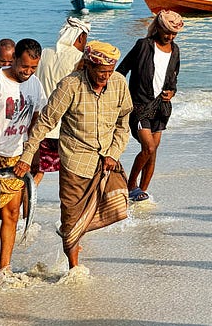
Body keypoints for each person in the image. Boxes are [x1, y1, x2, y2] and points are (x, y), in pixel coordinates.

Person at [14, 40, 133, 272]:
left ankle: (73, 236)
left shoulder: (118, 83)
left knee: (117, 206)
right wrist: (27, 156)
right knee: (71, 217)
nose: (105, 77)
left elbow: (123, 123)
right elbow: (45, 122)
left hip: (105, 160)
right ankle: (74, 266)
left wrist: (114, 152)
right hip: (75, 161)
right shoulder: (70, 85)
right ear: (88, 65)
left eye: (109, 72)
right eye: (101, 72)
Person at [0, 38, 46, 282]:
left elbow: (37, 117)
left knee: (12, 212)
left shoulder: (34, 84)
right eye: (24, 66)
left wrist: (30, 151)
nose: (28, 72)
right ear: (13, 59)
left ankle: (5, 269)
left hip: (16, 156)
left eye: (33, 67)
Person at [116, 10, 183, 202]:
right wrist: (120, 99)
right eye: (167, 32)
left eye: (174, 34)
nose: (170, 37)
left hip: (161, 108)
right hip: (139, 106)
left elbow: (173, 78)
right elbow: (121, 71)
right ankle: (131, 186)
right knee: (149, 148)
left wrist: (172, 92)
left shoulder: (175, 50)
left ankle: (141, 192)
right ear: (158, 28)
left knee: (153, 153)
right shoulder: (143, 45)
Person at [33, 17, 91, 184]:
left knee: (36, 172)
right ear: (80, 37)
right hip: (66, 127)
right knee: (69, 174)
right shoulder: (79, 59)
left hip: (42, 125)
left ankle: (23, 207)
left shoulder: (44, 53)